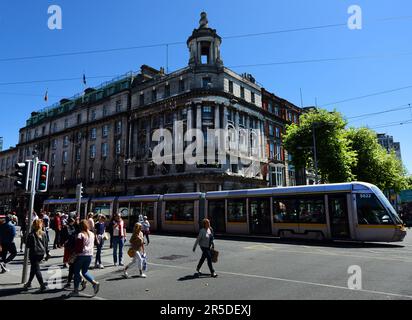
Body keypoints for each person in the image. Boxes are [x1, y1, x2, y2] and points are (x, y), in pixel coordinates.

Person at [71, 220, 100, 297]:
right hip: (89, 255)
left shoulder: (80, 234)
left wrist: (73, 254)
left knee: (76, 272)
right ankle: (94, 283)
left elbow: (78, 247)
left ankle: (76, 290)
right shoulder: (92, 234)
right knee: (85, 271)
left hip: (81, 255)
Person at [23, 219, 49, 292]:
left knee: (36, 269)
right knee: (34, 268)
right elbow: (46, 245)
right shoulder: (43, 233)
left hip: (34, 253)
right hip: (41, 253)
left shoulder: (31, 234)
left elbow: (28, 245)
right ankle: (29, 282)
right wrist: (47, 253)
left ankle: (42, 285)